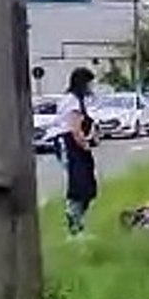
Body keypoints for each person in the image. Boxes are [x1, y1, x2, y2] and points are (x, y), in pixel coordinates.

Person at [48, 67, 98, 237]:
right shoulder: (72, 101)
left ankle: (78, 223)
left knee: (85, 183)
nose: (92, 87)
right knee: (79, 182)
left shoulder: (75, 100)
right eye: (90, 83)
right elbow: (74, 128)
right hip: (68, 143)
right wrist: (86, 145)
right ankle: (74, 224)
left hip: (70, 142)